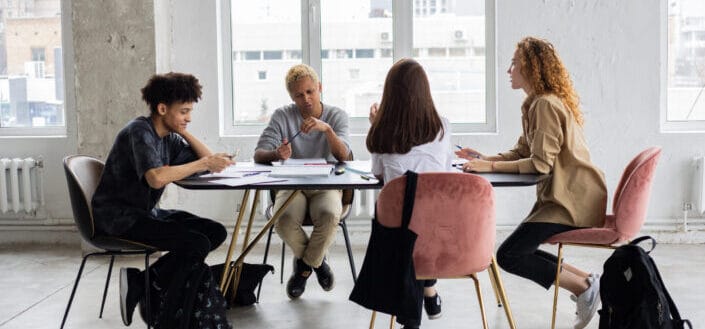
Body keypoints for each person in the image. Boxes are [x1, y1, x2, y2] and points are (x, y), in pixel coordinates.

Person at [456, 37, 607, 329]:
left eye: (515, 63)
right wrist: (485, 157)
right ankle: (588, 282)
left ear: (531, 67)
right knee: (516, 250)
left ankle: (583, 288)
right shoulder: (535, 103)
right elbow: (524, 152)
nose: (509, 70)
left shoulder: (545, 105)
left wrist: (489, 166)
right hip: (564, 198)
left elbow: (539, 164)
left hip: (572, 202)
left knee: (509, 255)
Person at [91, 72, 234, 327]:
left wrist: (185, 132)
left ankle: (143, 282)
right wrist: (203, 161)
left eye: (190, 112)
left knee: (215, 232)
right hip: (117, 217)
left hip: (144, 213)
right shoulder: (139, 131)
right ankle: (166, 310)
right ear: (162, 108)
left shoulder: (168, 137)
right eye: (184, 112)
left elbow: (208, 162)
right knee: (196, 244)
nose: (189, 117)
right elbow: (156, 178)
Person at [366, 58, 451, 329]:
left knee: (409, 227)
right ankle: (429, 288)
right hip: (441, 228)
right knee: (421, 222)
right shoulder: (443, 127)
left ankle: (413, 317)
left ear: (389, 95)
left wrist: (375, 124)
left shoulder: (382, 131)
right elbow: (446, 174)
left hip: (396, 234)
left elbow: (378, 174)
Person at [254, 63, 350, 299]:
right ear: (292, 97)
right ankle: (318, 262)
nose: (306, 99)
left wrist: (327, 130)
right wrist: (277, 154)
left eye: (310, 91)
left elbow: (344, 155)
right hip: (291, 185)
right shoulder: (282, 116)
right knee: (283, 219)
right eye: (299, 94)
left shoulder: (336, 116)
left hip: (326, 184)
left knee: (329, 215)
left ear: (319, 88)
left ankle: (304, 268)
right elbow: (258, 154)